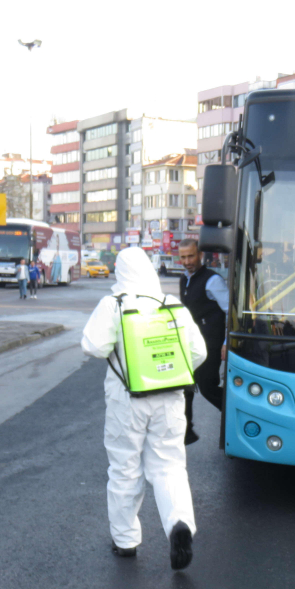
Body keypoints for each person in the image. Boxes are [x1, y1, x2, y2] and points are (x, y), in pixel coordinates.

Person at [81, 246, 207, 569]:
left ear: (121, 273)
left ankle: (125, 541)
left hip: (128, 400)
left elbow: (93, 345)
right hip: (169, 398)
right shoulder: (173, 305)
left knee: (125, 467)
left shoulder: (115, 305)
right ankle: (179, 525)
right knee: (169, 465)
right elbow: (198, 352)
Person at [178, 238, 227, 445]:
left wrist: (226, 342)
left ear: (200, 255)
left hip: (210, 343)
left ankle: (235, 413)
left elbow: (229, 312)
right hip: (189, 342)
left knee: (207, 387)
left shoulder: (212, 281)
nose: (187, 261)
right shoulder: (184, 279)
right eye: (183, 257)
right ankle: (186, 431)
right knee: (185, 387)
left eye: (191, 256)